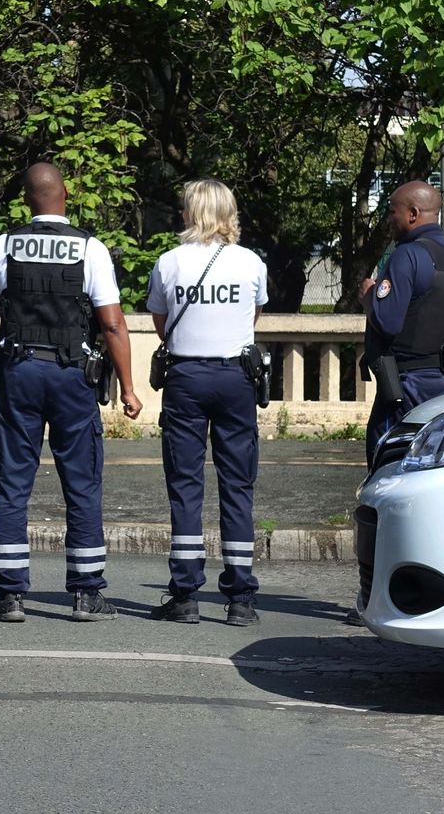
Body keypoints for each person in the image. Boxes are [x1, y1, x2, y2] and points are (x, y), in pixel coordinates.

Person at [0, 162, 143, 622]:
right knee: (82, 483)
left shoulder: (2, 244)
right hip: (73, 375)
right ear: (65, 195)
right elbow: (111, 322)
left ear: (27, 199)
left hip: (19, 371)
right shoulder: (91, 249)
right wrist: (128, 388)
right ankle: (87, 594)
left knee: (13, 483)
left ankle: (9, 596)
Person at [348, 179, 444, 625]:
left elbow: (388, 322)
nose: (389, 218)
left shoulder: (407, 256)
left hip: (404, 387)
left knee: (387, 488)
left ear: (413, 214)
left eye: (393, 210)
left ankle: (375, 597)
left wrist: (370, 294)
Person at [145, 179, 268, 627]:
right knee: (238, 485)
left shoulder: (168, 263)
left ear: (189, 213)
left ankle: (185, 594)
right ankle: (241, 599)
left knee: (185, 484)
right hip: (236, 378)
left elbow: (162, 325)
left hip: (186, 378)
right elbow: (252, 318)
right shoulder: (251, 262)